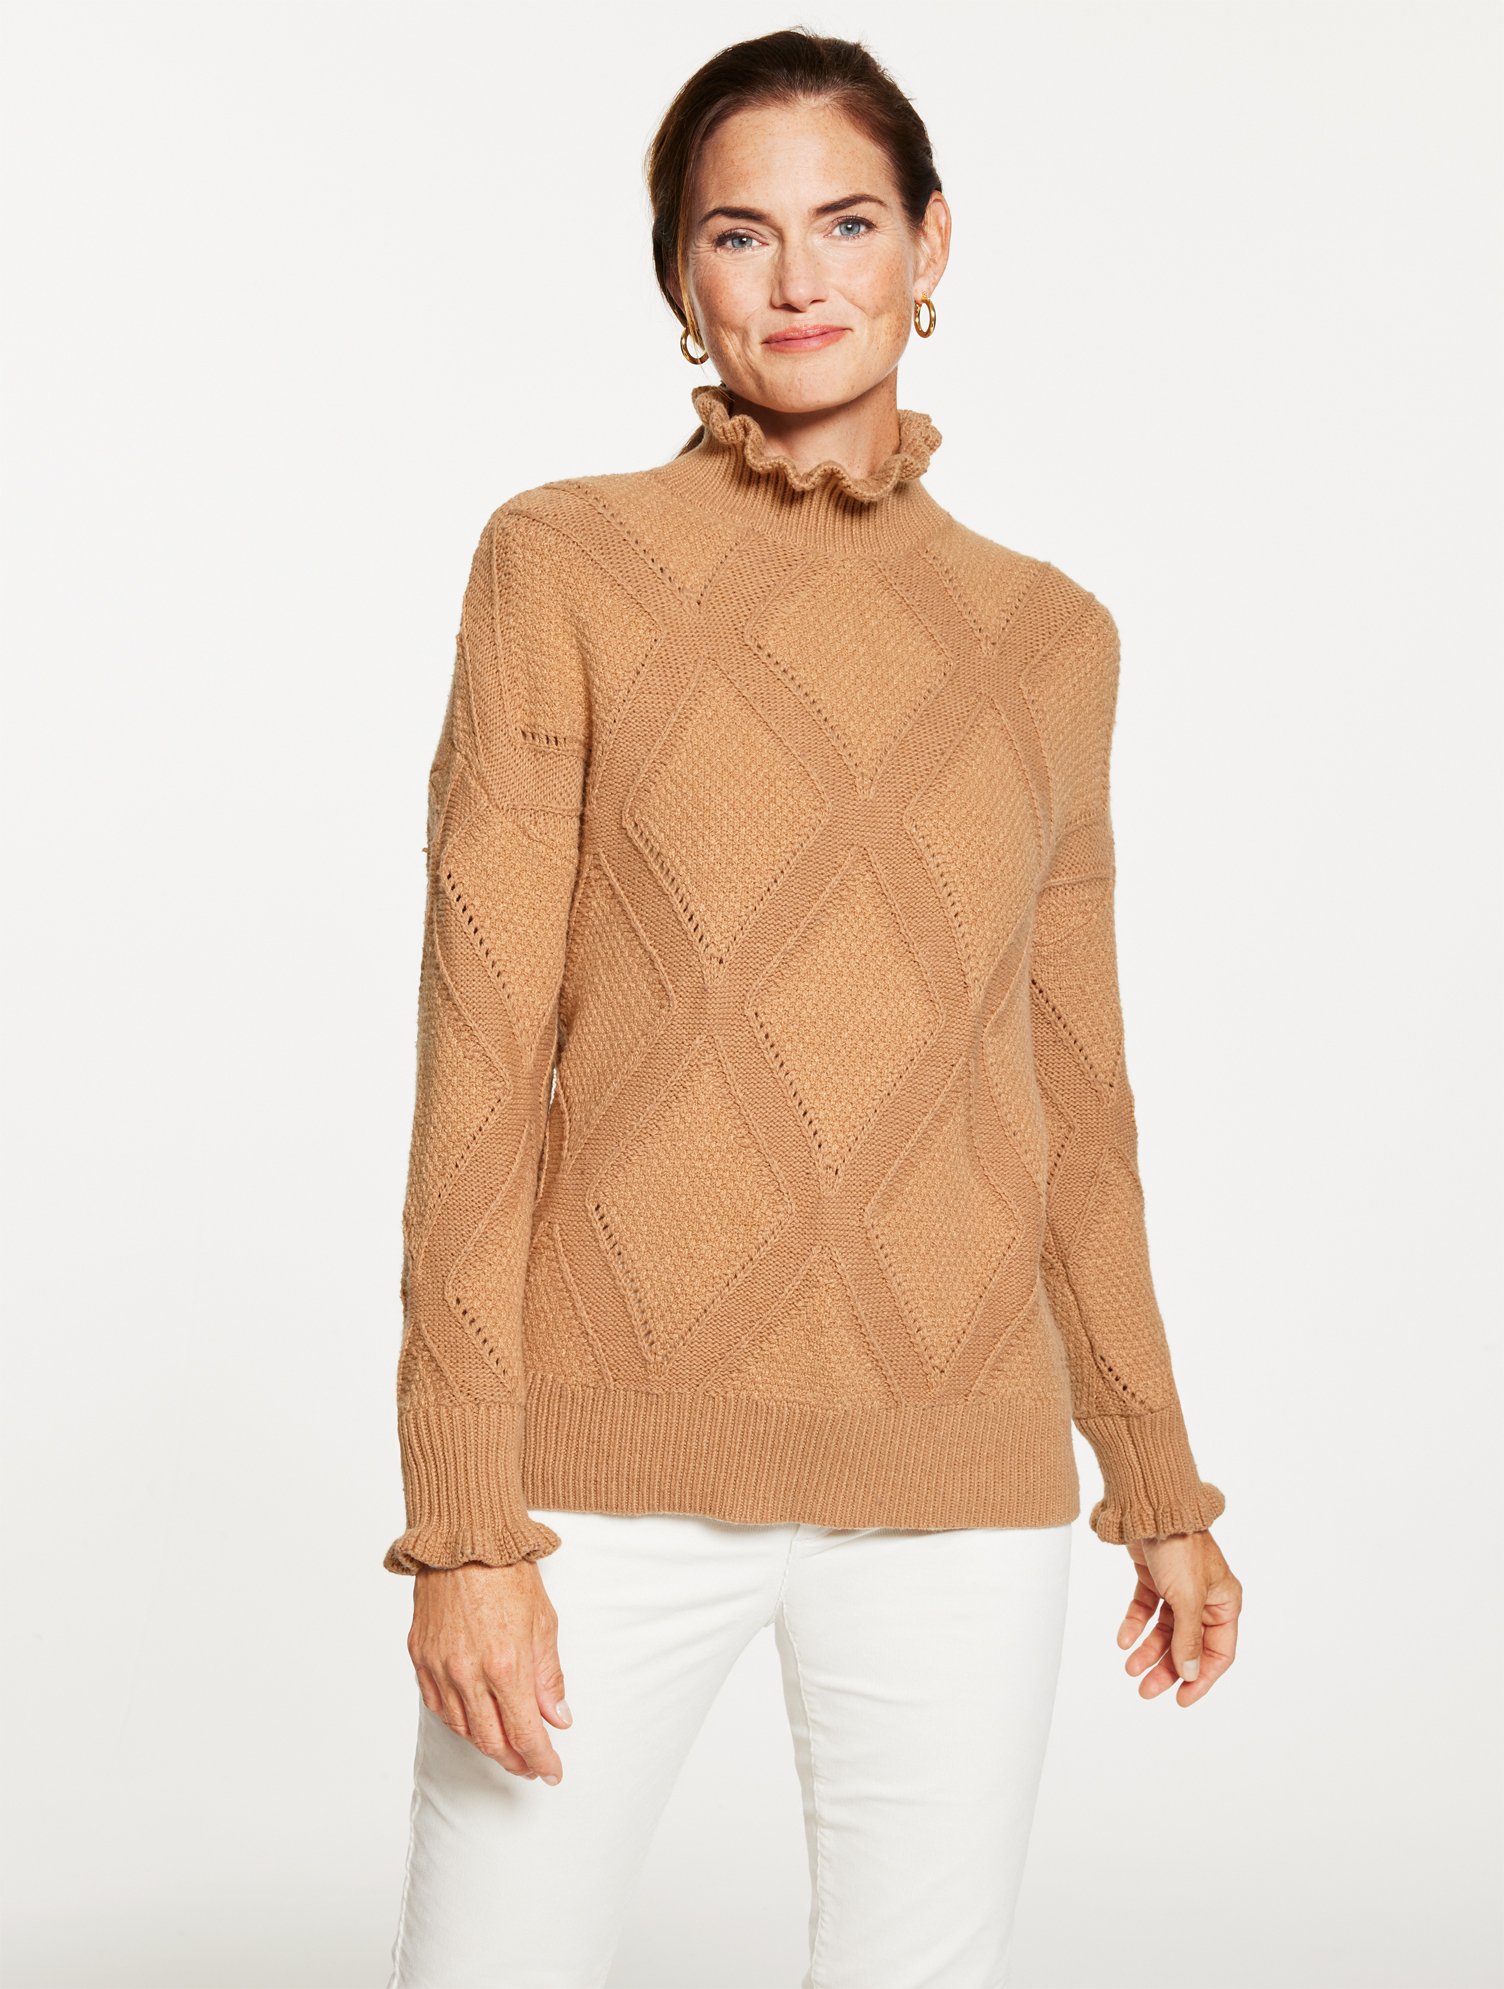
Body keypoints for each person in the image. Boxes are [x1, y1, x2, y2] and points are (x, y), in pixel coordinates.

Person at [382, 28, 1242, 1989]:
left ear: (931, 246)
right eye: (736, 232)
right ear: (678, 277)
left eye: (846, 222)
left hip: (958, 1471)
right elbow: (479, 1063)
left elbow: (1072, 1092)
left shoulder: (1050, 639)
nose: (794, 279)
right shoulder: (561, 563)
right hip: (597, 1476)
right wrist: (465, 1521)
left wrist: (1156, 1476)